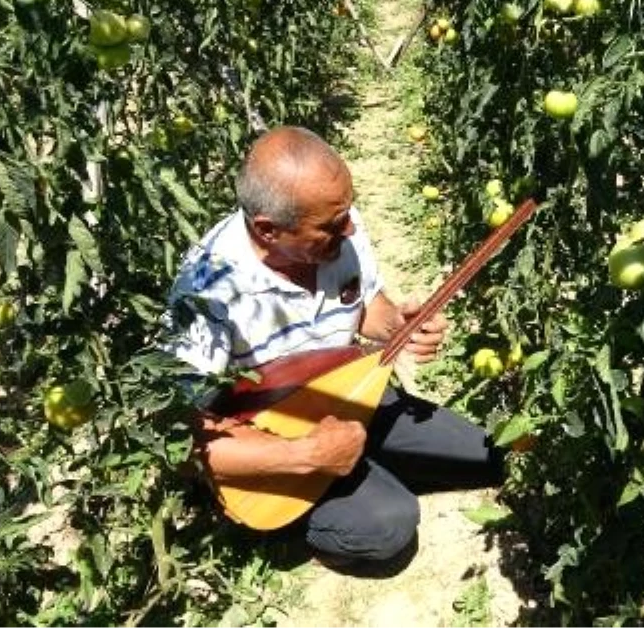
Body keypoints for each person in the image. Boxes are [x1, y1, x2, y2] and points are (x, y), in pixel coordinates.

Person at [163, 126, 505, 568]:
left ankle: (359, 460)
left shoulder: (340, 226)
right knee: (390, 527)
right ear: (268, 230)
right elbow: (177, 439)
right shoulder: (208, 294)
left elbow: (365, 306)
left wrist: (398, 326)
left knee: (485, 456)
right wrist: (303, 456)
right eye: (330, 225)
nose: (349, 228)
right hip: (276, 432)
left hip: (347, 391)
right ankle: (284, 516)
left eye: (348, 211)